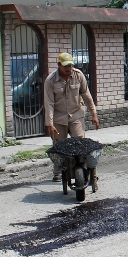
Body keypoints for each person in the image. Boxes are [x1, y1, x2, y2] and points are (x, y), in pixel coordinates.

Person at [44, 52, 100, 181]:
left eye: (70, 65)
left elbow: (87, 95)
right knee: (60, 146)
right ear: (58, 65)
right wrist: (50, 124)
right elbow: (49, 103)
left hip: (76, 114)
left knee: (81, 143)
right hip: (59, 117)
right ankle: (58, 172)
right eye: (65, 66)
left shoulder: (78, 75)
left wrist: (94, 114)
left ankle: (87, 171)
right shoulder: (50, 81)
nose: (68, 68)